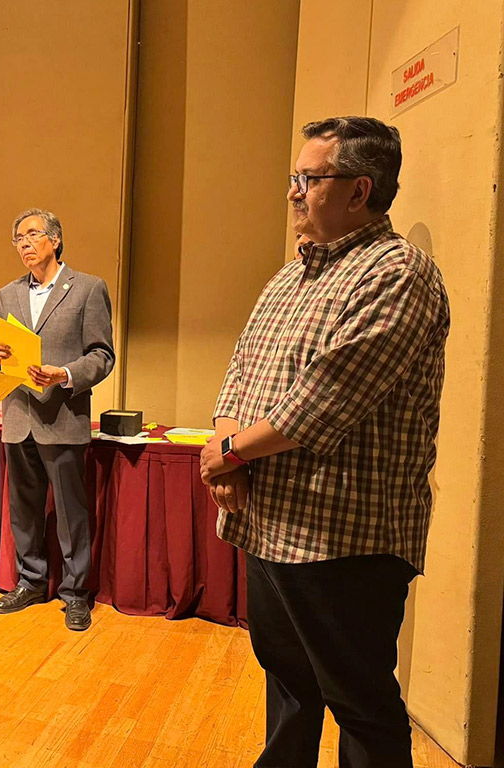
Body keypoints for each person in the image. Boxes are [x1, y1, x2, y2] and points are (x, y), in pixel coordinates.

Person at [200, 116, 450, 768]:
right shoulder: (290, 277)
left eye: (308, 179)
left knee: (360, 705)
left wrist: (230, 453)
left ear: (359, 190)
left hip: (344, 538)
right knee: (288, 685)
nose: (293, 191)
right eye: (295, 177)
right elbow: (240, 372)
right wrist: (227, 453)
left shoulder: (398, 272)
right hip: (269, 525)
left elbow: (323, 401)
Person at [0, 208, 115, 631]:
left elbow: (102, 355)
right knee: (23, 508)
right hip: (18, 415)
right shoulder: (7, 294)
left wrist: (64, 374)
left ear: (55, 240)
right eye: (18, 238)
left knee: (69, 509)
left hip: (61, 414)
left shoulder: (88, 288)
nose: (24, 243)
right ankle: (30, 581)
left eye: (32, 234)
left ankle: (75, 593)